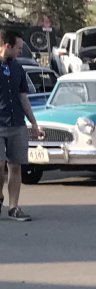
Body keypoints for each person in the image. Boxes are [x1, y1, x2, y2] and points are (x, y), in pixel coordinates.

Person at [1, 29, 43, 222]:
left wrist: (33, 123)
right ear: (6, 46)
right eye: (17, 48)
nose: (20, 51)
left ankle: (14, 207)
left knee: (15, 166)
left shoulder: (18, 68)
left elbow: (23, 97)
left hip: (17, 123)